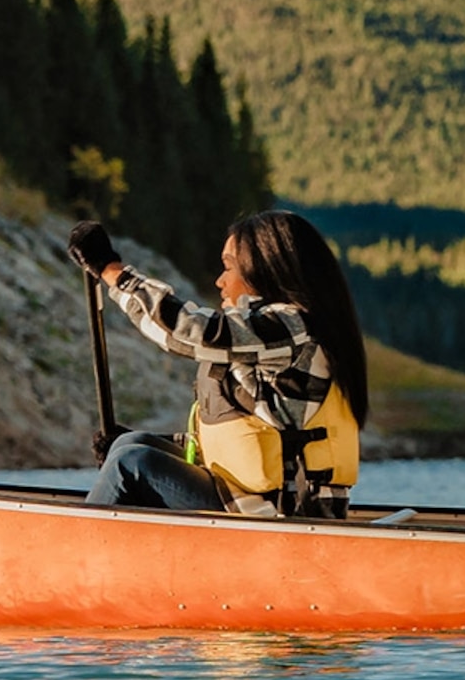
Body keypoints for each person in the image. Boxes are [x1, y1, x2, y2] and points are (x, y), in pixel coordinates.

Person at [68, 208, 371, 519]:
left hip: (281, 514)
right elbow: (249, 438)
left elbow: (193, 331)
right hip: (253, 500)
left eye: (228, 267)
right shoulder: (284, 331)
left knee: (129, 464)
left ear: (263, 269)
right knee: (131, 444)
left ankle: (70, 557)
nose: (219, 281)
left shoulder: (290, 327)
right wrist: (157, 442)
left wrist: (111, 271)